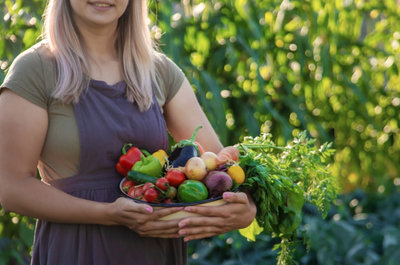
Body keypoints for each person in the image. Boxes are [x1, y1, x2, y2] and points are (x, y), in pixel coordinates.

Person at [0, 0, 256, 264]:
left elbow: (216, 165)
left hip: (153, 253)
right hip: (75, 250)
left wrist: (244, 206)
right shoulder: (34, 70)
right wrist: (107, 213)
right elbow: (13, 188)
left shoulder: (159, 71)